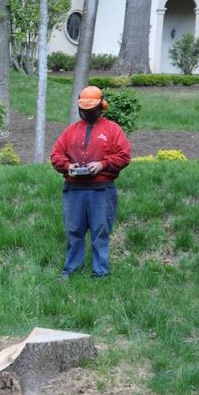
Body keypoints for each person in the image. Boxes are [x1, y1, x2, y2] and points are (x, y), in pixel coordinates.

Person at [50, 86, 131, 279]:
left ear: (101, 106)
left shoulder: (113, 130)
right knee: (74, 231)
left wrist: (103, 165)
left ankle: (100, 272)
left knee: (100, 232)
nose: (86, 112)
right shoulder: (71, 131)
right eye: (83, 108)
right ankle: (72, 269)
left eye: (91, 108)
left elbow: (124, 156)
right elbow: (55, 155)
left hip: (102, 190)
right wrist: (68, 166)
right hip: (74, 189)